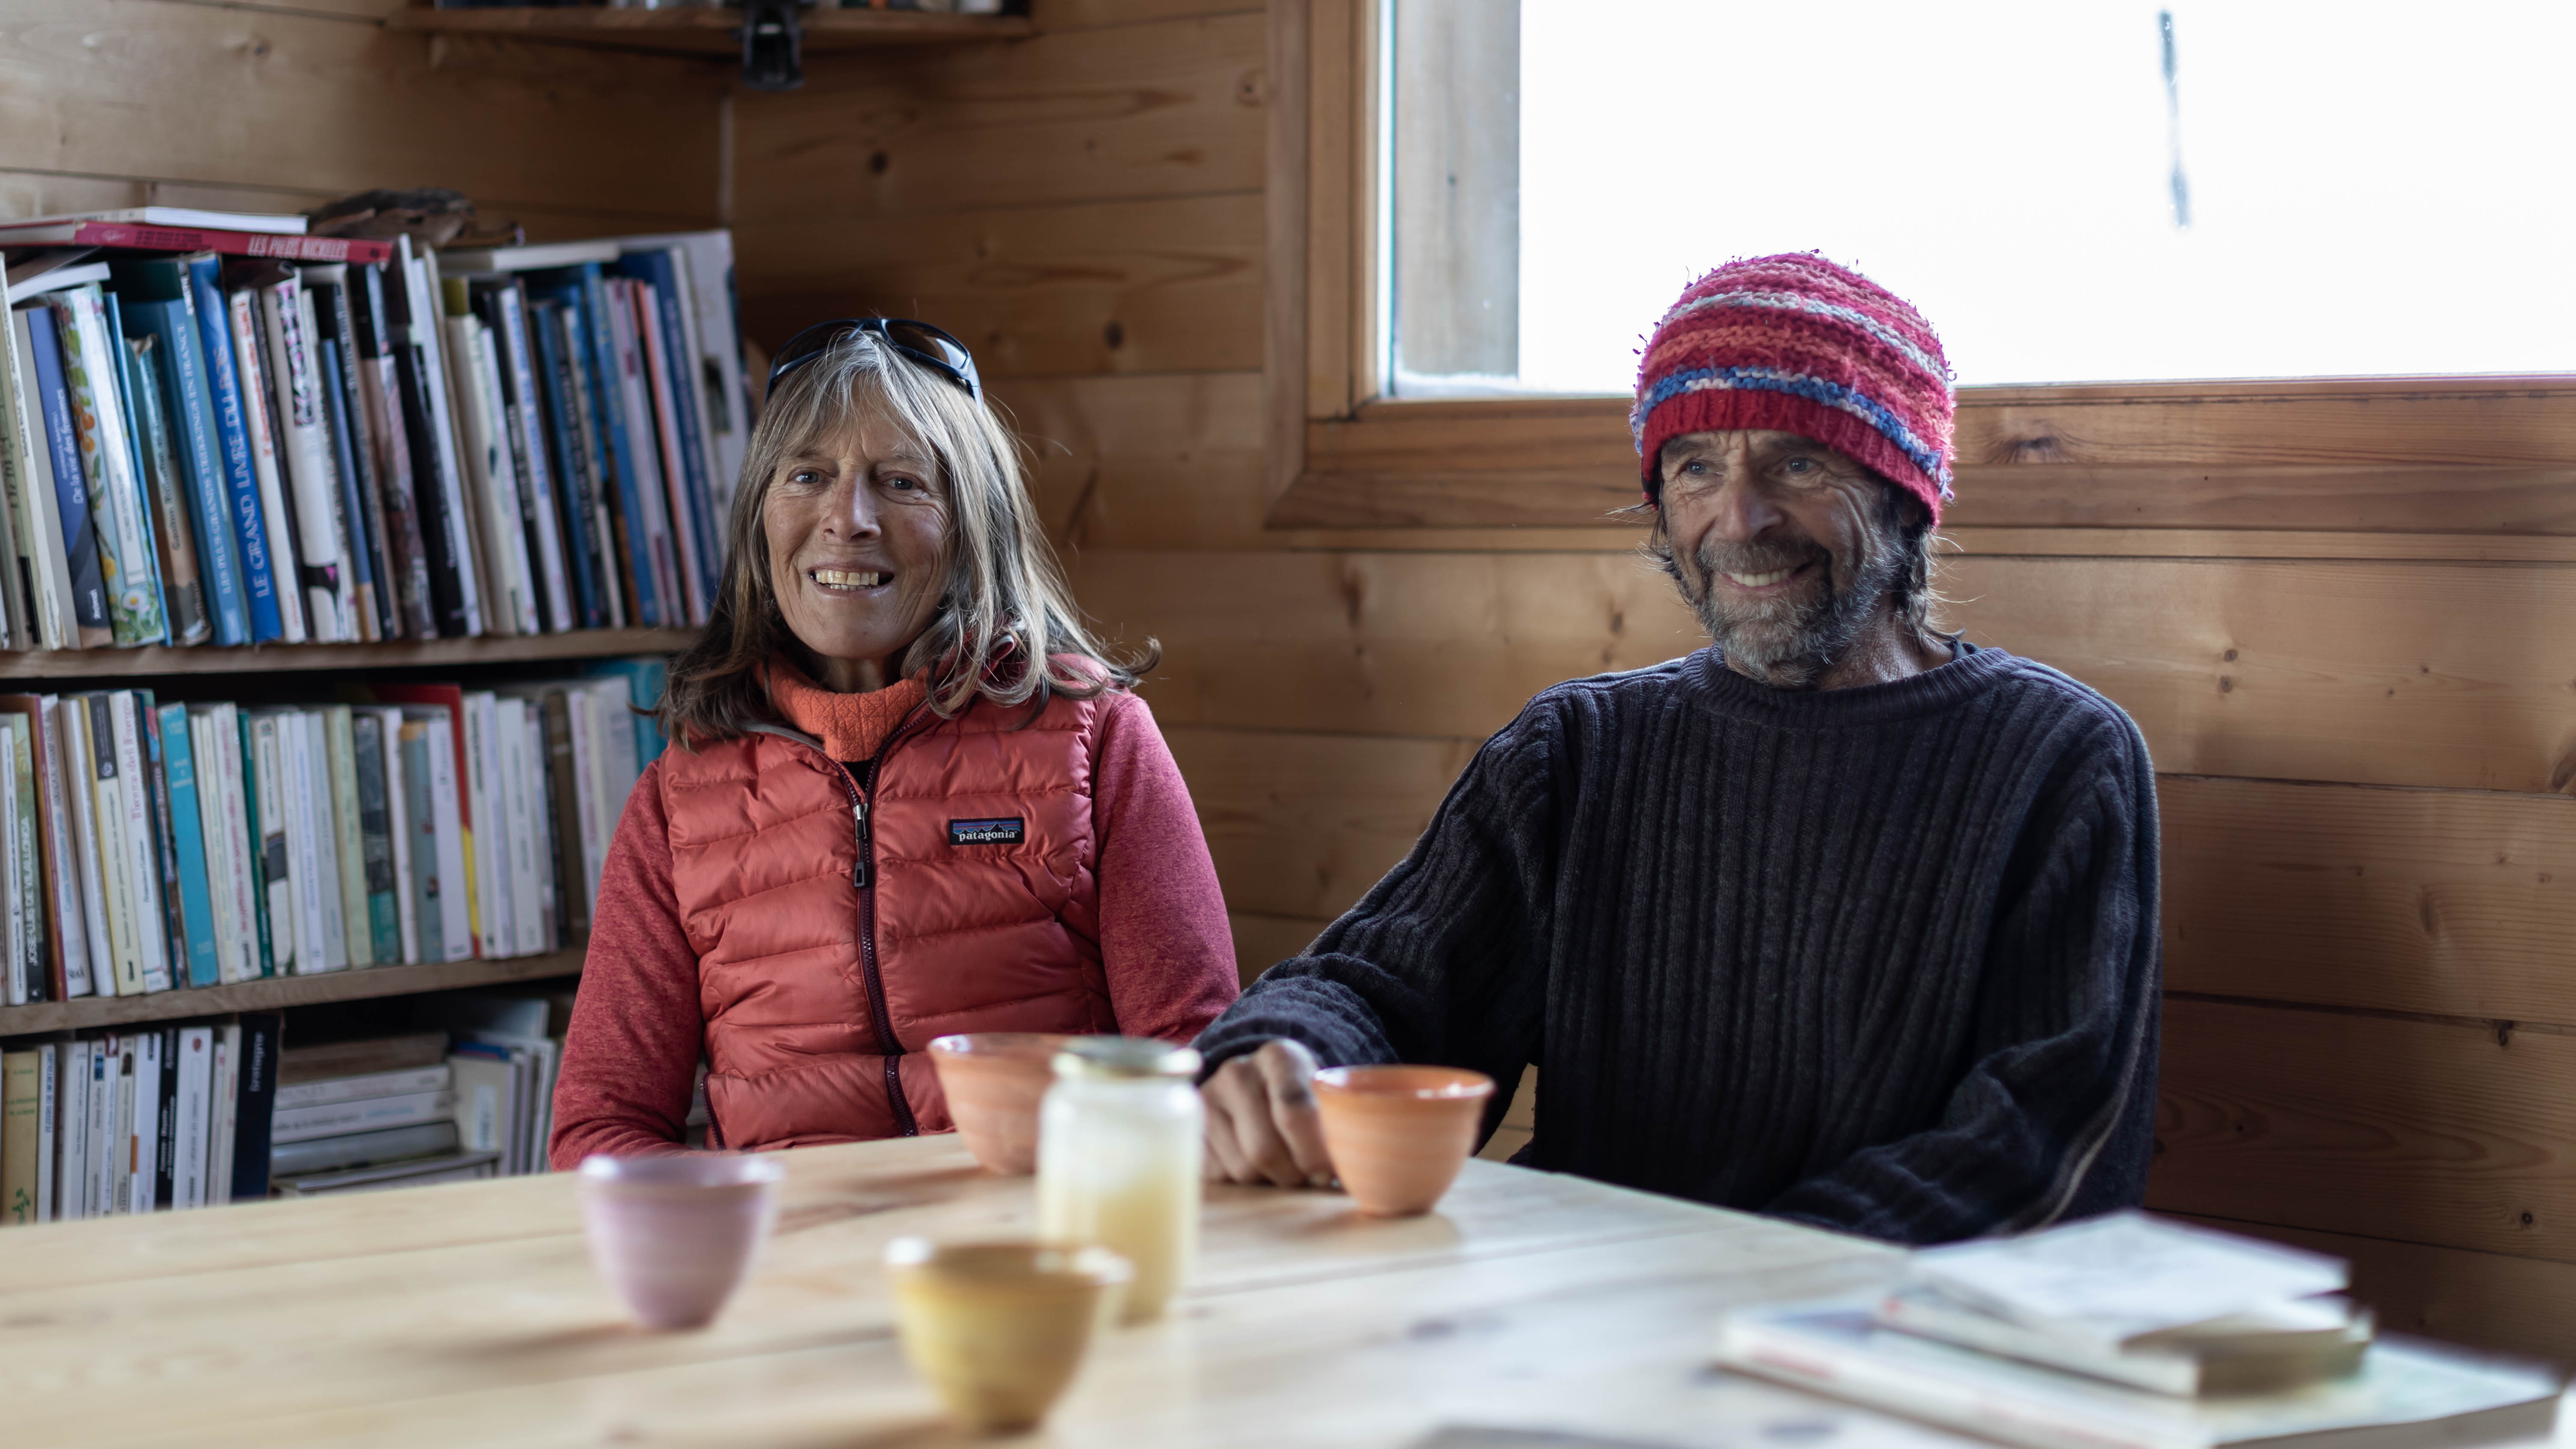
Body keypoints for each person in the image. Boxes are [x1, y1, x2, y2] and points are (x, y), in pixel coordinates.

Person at [1196, 256, 2160, 1244]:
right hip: (1587, 1322)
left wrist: (1724, 1282)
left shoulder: (2059, 758)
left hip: (1879, 1352)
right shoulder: (1577, 750)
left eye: (1798, 462)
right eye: (1697, 467)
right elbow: (1381, 988)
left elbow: (2037, 1146)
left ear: (1907, 496)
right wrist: (1285, 1054)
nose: (1738, 521)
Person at [552, 319, 1239, 1163]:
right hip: (792, 1266)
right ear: (761, 518)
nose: (848, 519)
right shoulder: (680, 795)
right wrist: (742, 1242)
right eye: (808, 474)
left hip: (1034, 1247)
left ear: (970, 526)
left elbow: (1192, 1068)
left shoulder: (1094, 736)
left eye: (901, 481)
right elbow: (603, 1128)